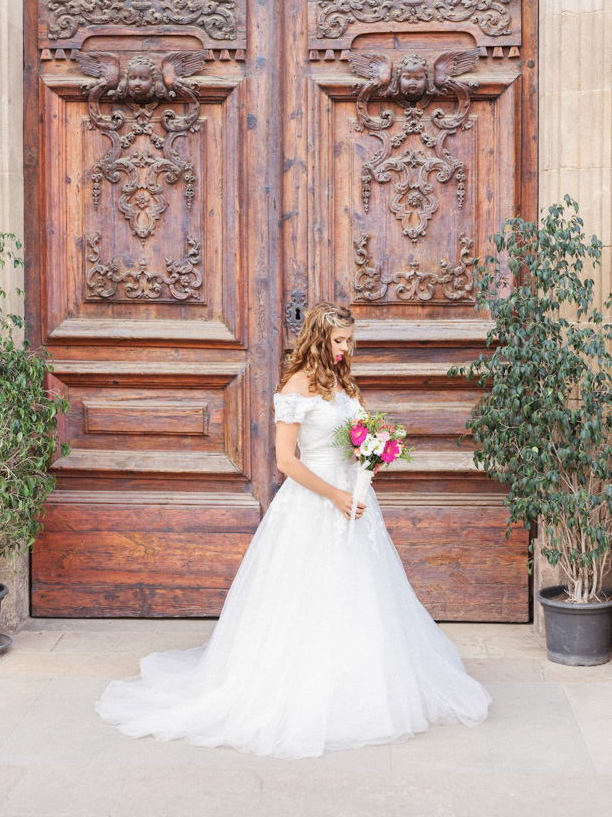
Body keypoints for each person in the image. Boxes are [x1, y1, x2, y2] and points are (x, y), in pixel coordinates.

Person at [94, 301, 491, 758]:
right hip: (316, 504)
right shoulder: (296, 386)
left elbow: (357, 435)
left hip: (355, 502)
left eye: (349, 340)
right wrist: (335, 495)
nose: (346, 348)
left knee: (361, 590)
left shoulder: (344, 382)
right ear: (320, 340)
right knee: (308, 592)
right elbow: (285, 461)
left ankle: (360, 679)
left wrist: (371, 461)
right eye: (339, 341)